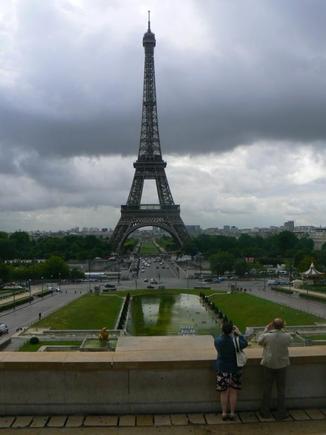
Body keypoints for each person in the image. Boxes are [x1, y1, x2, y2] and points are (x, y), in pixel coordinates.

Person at [257, 318, 293, 419]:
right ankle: (281, 412)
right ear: (282, 326)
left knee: (267, 389)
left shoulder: (267, 336)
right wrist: (283, 329)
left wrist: (266, 329)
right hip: (282, 365)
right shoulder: (286, 336)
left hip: (268, 364)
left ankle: (265, 412)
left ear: (272, 325)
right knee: (281, 390)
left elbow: (259, 341)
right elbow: (290, 340)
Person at [214, 321, 248, 420]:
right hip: (235, 369)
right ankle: (232, 413)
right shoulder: (236, 341)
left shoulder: (217, 340)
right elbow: (245, 343)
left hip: (222, 368)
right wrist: (239, 333)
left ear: (222, 330)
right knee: (233, 392)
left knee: (223, 392)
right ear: (231, 330)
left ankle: (224, 413)